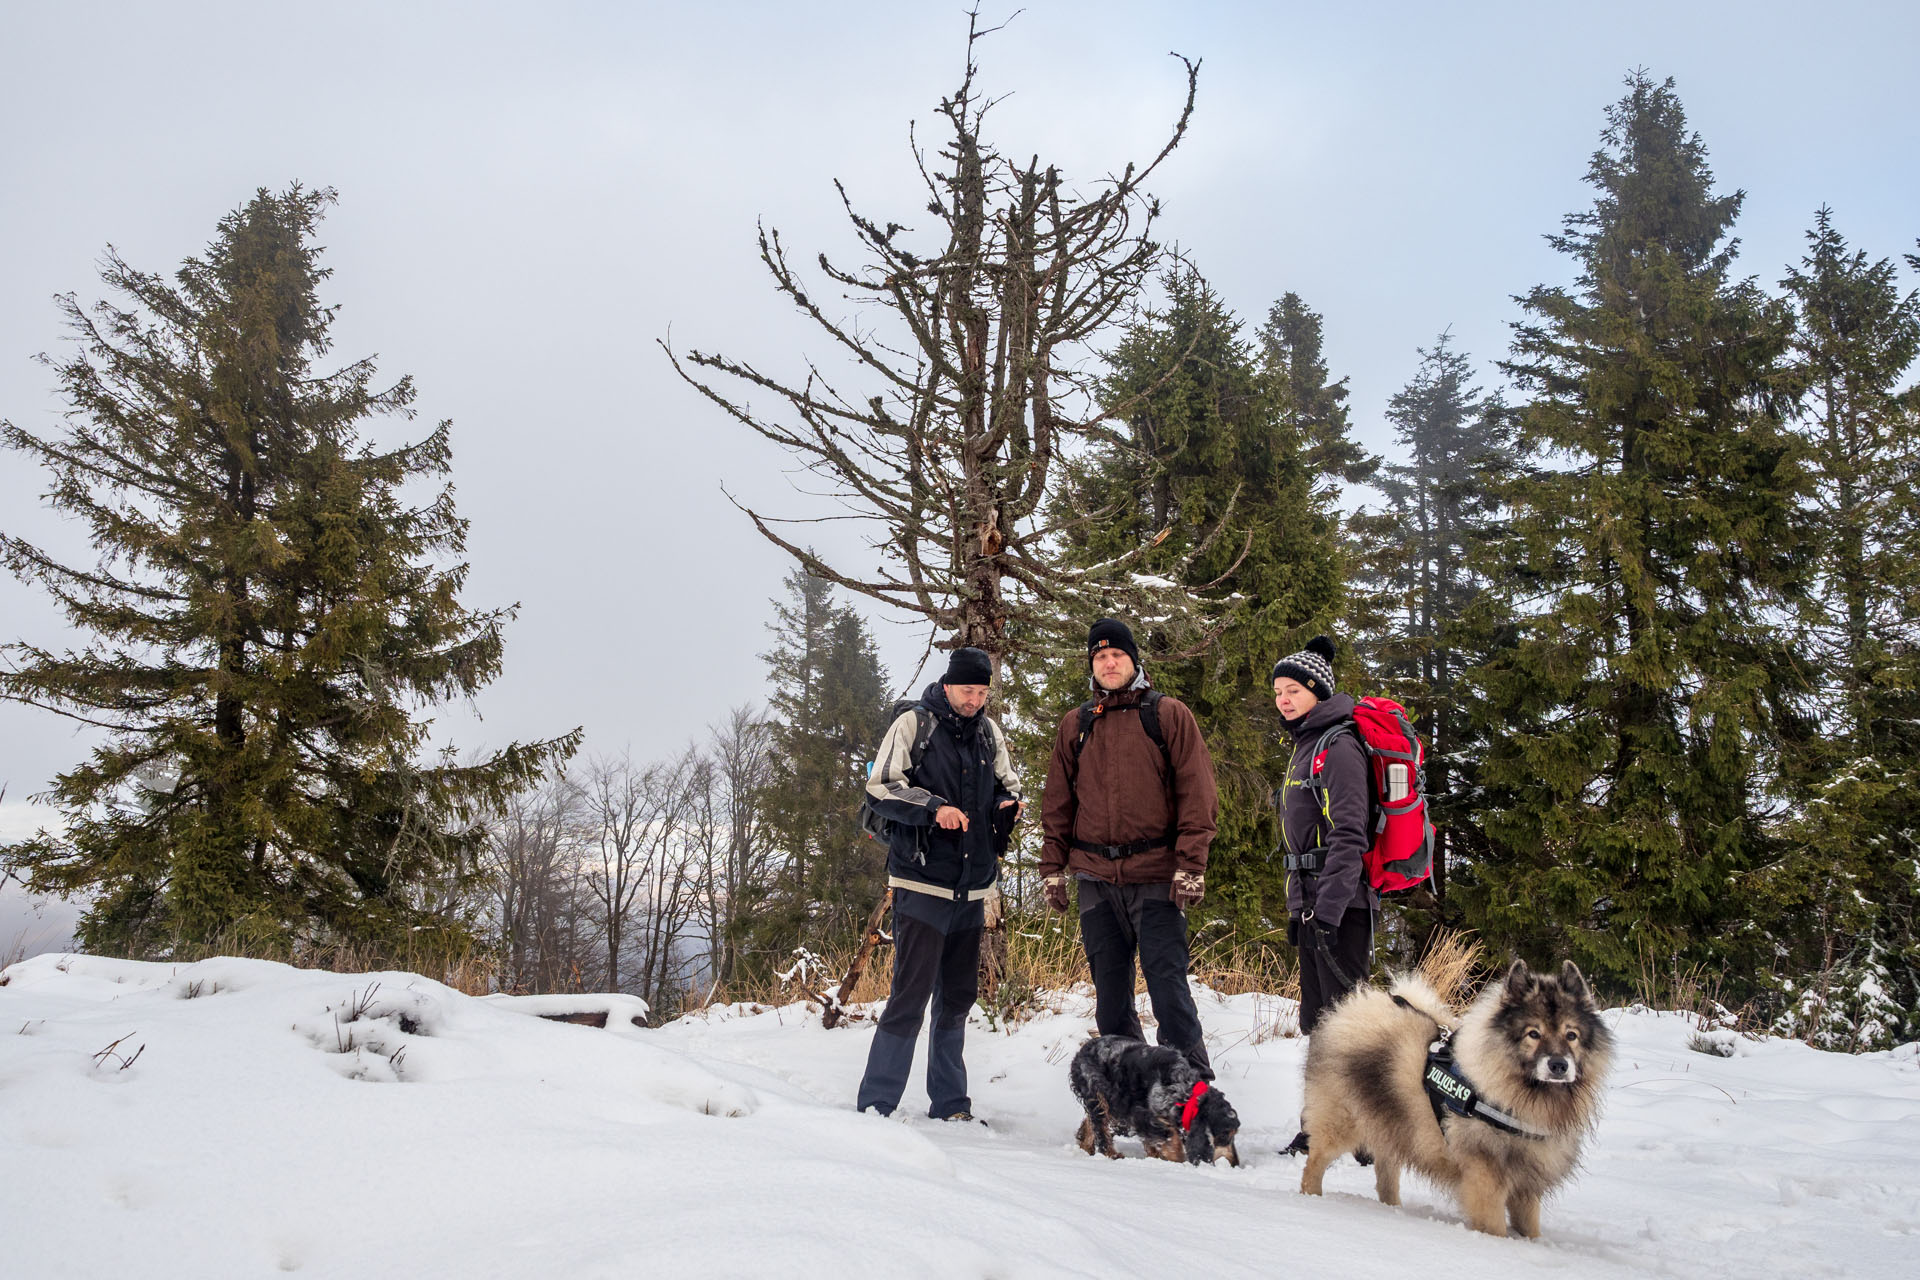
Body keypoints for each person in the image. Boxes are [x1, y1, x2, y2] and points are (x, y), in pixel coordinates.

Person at [1039, 618, 1219, 1077]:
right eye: (1100, 657)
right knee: (1110, 1000)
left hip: (1157, 876)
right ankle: (1131, 1087)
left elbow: (1197, 794)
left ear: (1133, 660)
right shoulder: (1076, 725)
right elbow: (1057, 804)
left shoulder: (1167, 715)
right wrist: (1052, 869)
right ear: (1092, 666)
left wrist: (1191, 865)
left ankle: (1190, 1090)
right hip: (1096, 881)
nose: (1109, 662)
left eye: (1117, 655)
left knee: (1169, 992)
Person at [856, 646, 1022, 1121]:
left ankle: (950, 1105)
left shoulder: (989, 733)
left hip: (972, 890)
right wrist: (933, 808)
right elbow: (881, 786)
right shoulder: (915, 724)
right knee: (909, 996)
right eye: (968, 690)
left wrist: (1008, 808)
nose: (975, 699)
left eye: (983, 691)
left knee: (956, 999)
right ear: (948, 685)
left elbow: (1008, 786)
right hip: (922, 883)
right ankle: (876, 1104)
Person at [1272, 634, 1374, 1156]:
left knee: (1347, 1026)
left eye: (1293, 689)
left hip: (1344, 907)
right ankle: (1322, 1124)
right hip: (1315, 905)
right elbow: (1298, 844)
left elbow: (1350, 835)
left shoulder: (1339, 747)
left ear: (1318, 691)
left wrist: (1328, 914)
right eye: (1278, 692)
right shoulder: (1304, 748)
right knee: (1319, 1021)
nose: (1284, 699)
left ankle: (1363, 1133)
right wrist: (1299, 911)